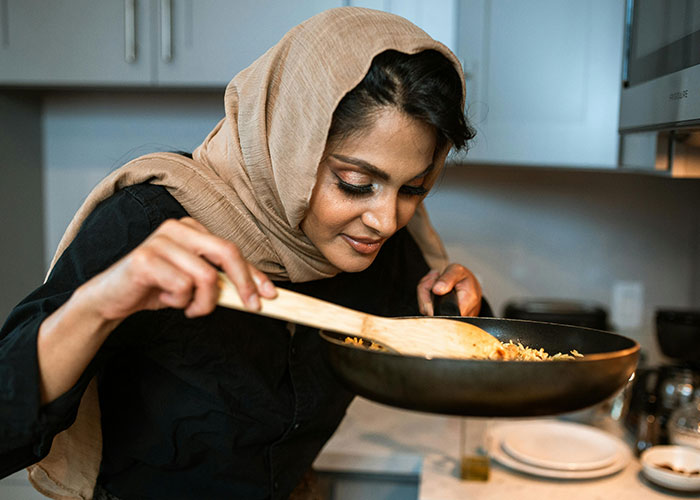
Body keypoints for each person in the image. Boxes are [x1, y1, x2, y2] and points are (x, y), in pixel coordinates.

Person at [0, 7, 482, 500]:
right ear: (290, 144)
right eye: (355, 183)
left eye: (414, 189)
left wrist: (459, 308)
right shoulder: (150, 226)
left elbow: (458, 367)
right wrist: (97, 306)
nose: (386, 220)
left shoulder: (379, 247)